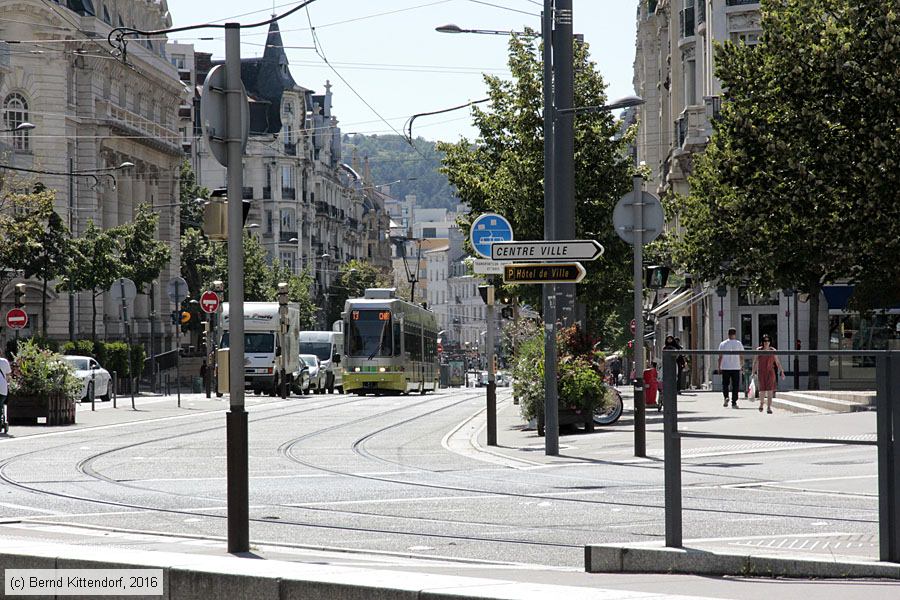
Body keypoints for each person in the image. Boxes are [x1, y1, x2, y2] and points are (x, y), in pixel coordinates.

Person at [752, 335, 785, 414]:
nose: (766, 343)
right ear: (762, 342)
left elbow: (777, 362)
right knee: (762, 390)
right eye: (765, 341)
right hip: (761, 372)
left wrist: (781, 371)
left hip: (770, 372)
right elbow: (755, 361)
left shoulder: (773, 350)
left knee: (770, 390)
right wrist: (753, 372)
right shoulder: (759, 350)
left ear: (770, 342)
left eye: (768, 341)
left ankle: (769, 407)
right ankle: (761, 404)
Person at [717, 328, 743, 408]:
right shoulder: (738, 343)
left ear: (728, 334)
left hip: (725, 367)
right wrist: (741, 365)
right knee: (735, 385)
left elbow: (720, 357)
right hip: (736, 367)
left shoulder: (723, 344)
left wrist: (719, 367)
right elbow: (741, 355)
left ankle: (726, 397)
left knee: (725, 384)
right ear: (735, 334)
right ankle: (734, 402)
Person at [0, 350, 11, 432]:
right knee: (1, 404)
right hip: (2, 388)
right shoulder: (4, 361)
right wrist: (7, 383)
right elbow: (8, 376)